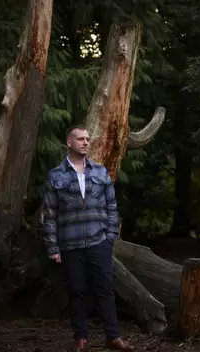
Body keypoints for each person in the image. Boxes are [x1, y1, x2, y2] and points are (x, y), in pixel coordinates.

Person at [40, 125, 134, 352]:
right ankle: (80, 338)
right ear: (69, 143)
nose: (85, 142)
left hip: (98, 242)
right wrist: (53, 246)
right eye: (80, 139)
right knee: (76, 291)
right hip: (69, 244)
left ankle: (113, 337)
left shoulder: (101, 172)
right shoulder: (55, 176)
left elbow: (112, 206)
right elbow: (49, 214)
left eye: (87, 139)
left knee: (105, 289)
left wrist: (111, 236)